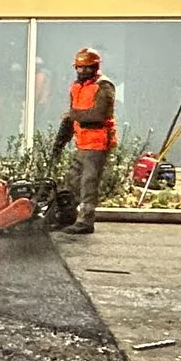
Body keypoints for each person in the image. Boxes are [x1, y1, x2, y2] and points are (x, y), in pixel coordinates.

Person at [47, 47, 115, 236]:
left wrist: (73, 115)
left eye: (86, 68)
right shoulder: (76, 87)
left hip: (97, 143)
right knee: (71, 181)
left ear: (95, 67)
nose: (82, 71)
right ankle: (66, 217)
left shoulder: (104, 86)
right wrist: (59, 144)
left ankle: (86, 221)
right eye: (79, 67)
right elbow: (71, 118)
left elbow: (98, 115)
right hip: (82, 142)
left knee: (88, 183)